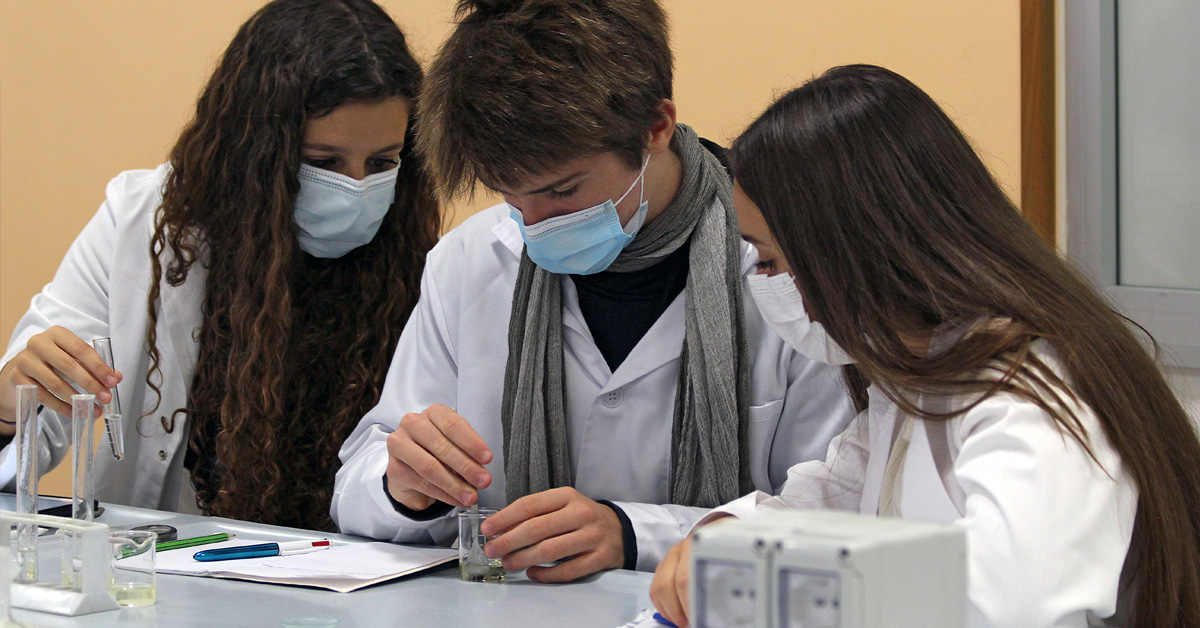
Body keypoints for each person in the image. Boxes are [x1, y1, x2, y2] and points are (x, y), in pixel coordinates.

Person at [649, 64, 1200, 628]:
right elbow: (832, 499)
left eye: (769, 260)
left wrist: (776, 589)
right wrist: (728, 535)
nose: (766, 283)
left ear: (851, 247)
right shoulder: (918, 372)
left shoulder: (1031, 394)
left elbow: (1007, 606)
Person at [331, 0, 856, 582]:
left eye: (561, 191)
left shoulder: (780, 267)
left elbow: (837, 515)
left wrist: (633, 533)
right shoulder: (471, 262)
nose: (533, 228)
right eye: (509, 196)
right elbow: (361, 484)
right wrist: (403, 486)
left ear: (655, 127)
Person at [0, 0, 440, 531]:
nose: (355, 189)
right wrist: (9, 407)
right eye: (323, 162)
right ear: (255, 151)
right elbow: (36, 435)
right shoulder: (143, 224)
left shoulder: (425, 263)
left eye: (382, 162)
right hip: (173, 571)